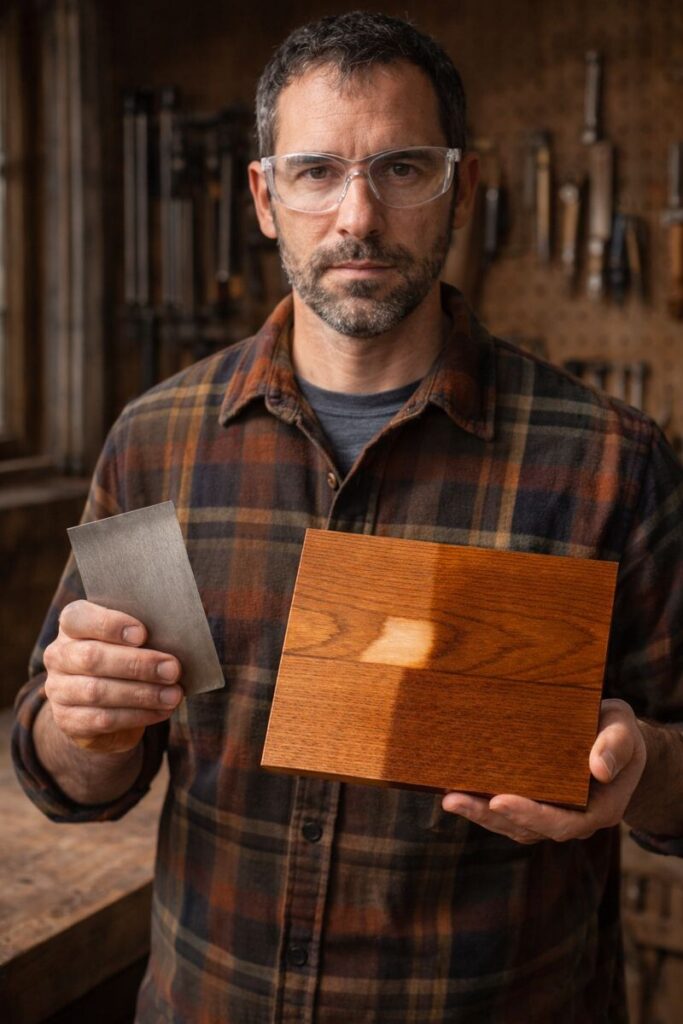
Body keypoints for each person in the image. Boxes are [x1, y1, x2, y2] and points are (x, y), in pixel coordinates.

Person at [12, 11, 683, 1023]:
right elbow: (72, 778)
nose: (356, 217)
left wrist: (640, 770)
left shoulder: (609, 461)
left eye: (401, 168)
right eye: (316, 170)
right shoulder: (154, 443)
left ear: (457, 183)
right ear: (263, 196)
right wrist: (82, 727)